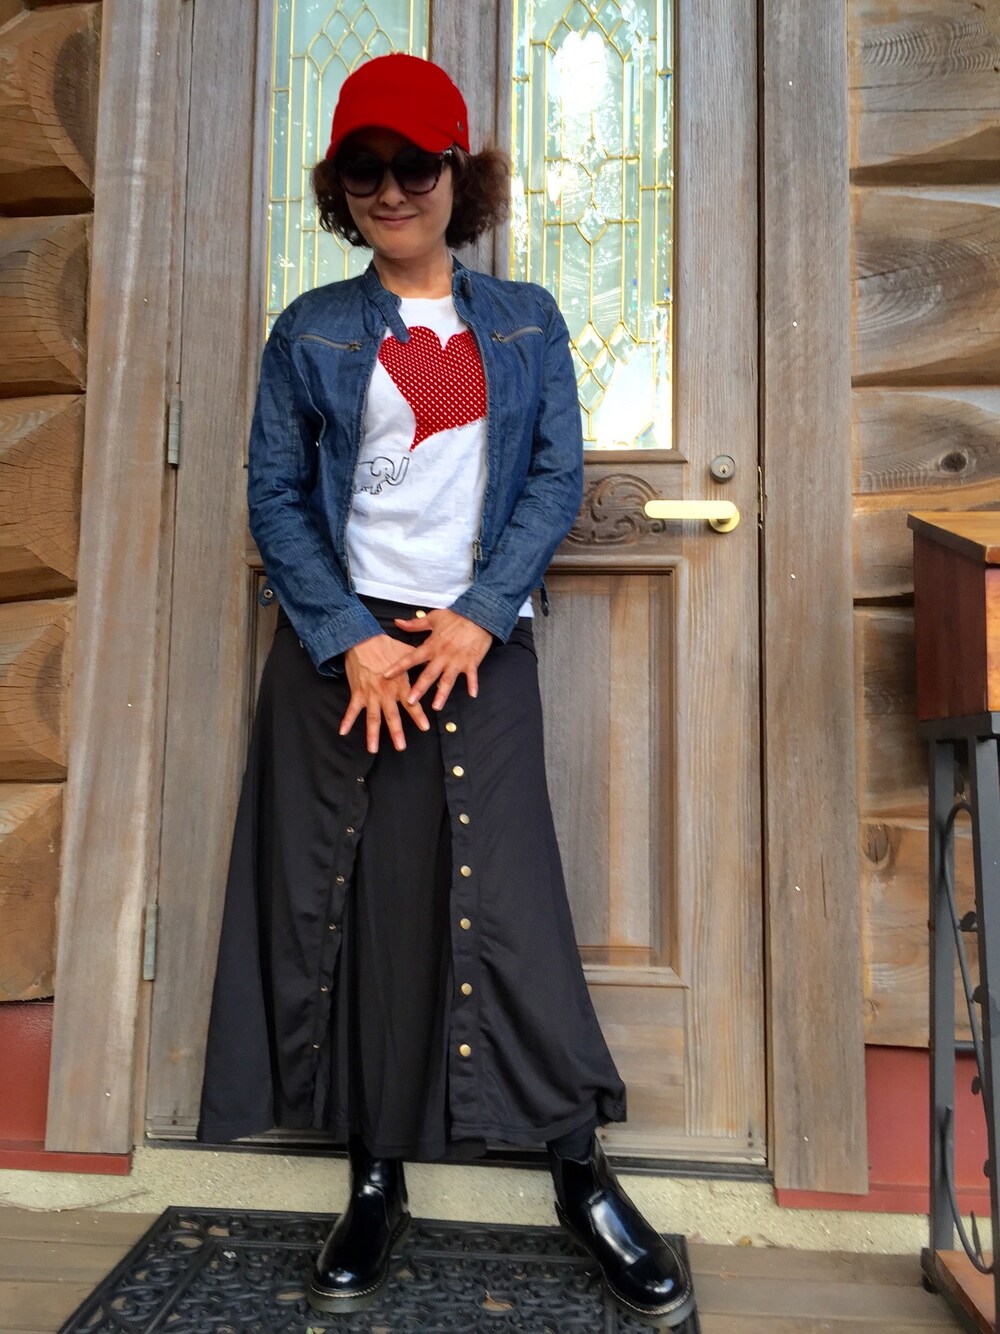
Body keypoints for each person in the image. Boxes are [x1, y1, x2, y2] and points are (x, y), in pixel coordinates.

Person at [197, 52, 694, 1329]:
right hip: (346, 656)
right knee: (362, 906)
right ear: (338, 187)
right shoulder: (312, 328)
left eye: (414, 165)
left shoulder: (524, 318)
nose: (389, 190)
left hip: (474, 647)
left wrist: (478, 614)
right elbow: (272, 496)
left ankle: (580, 1174)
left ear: (458, 177)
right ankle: (374, 1178)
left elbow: (554, 474)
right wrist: (346, 638)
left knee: (509, 899)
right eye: (363, 169)